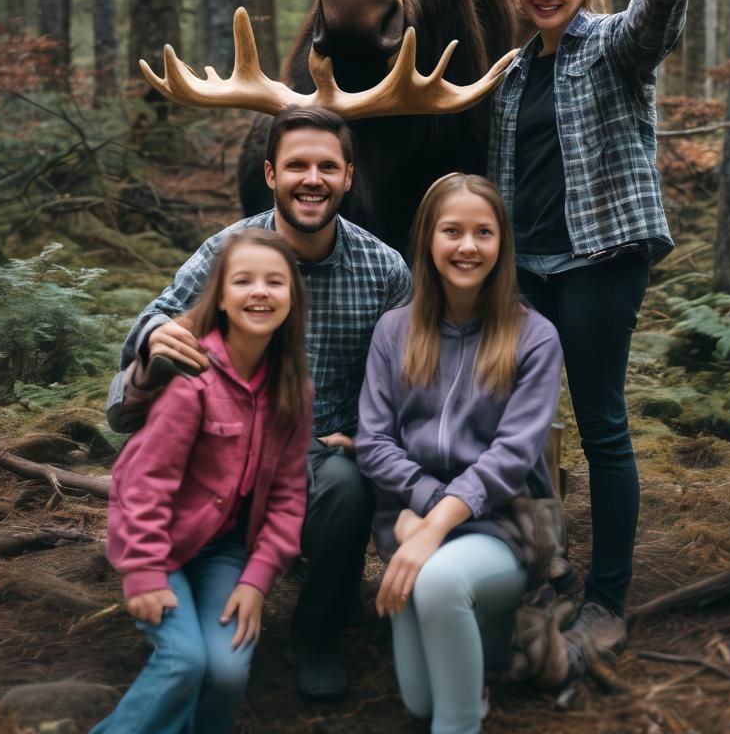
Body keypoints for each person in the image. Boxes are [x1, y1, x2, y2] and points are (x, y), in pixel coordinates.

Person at [107, 107, 411, 702]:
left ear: (349, 176)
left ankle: (317, 633)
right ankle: (179, 594)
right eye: (297, 166)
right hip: (225, 444)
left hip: (320, 452)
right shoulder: (229, 250)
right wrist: (155, 337)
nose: (312, 180)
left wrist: (375, 433)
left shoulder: (384, 269)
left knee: (349, 486)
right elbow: (151, 323)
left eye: (328, 167)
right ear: (270, 173)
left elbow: (407, 374)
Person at [487, 0, 709, 659]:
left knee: (602, 425)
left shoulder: (611, 45)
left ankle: (608, 601)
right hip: (527, 269)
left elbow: (654, 25)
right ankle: (547, 568)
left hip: (601, 260)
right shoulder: (512, 74)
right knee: (514, 424)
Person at [356, 173, 563, 734]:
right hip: (410, 527)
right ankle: (471, 677)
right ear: (428, 238)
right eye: (452, 231)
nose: (467, 246)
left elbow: (511, 456)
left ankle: (464, 718)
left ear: (502, 244)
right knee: (420, 702)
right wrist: (426, 510)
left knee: (440, 582)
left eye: (483, 232)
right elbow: (373, 441)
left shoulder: (535, 337)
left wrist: (432, 524)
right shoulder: (393, 330)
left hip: (505, 527)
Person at [92, 229, 311, 734]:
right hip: (160, 546)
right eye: (243, 281)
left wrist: (257, 579)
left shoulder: (292, 388)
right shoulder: (193, 377)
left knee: (228, 668)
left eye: (275, 282)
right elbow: (143, 481)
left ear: (293, 299)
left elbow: (288, 495)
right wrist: (144, 571)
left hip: (221, 552)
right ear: (221, 297)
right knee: (183, 662)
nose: (259, 292)